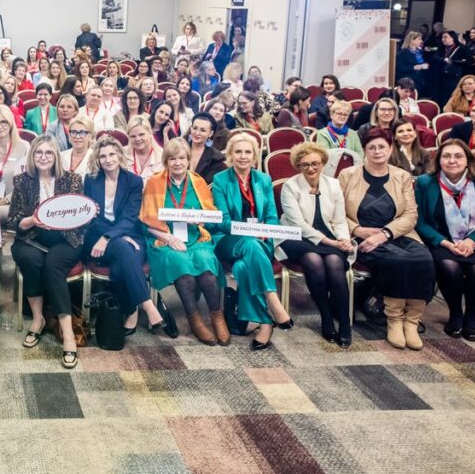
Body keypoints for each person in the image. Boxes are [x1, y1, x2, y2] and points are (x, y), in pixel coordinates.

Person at [338, 129, 435, 350]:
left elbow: (411, 215)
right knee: (397, 262)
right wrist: (358, 229)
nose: (377, 151)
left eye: (382, 146)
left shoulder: (401, 176)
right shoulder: (348, 175)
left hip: (398, 234)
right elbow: (336, 212)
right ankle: (394, 320)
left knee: (425, 260)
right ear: (364, 151)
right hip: (364, 237)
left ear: (391, 149)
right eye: (371, 147)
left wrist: (386, 234)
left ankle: (411, 322)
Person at [8, 135, 85, 369]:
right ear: (32, 156)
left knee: (53, 266)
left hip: (65, 238)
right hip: (31, 238)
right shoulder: (22, 180)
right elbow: (13, 221)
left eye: (48, 153)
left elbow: (79, 218)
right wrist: (32, 220)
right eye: (38, 152)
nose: (43, 157)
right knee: (31, 261)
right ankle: (38, 320)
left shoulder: (71, 179)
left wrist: (63, 221)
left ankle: (68, 332)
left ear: (56, 157)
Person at [140, 138, 226, 345]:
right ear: (166, 161)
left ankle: (217, 316)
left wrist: (202, 219)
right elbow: (146, 222)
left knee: (206, 268)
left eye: (181, 158)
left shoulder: (198, 182)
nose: (177, 163)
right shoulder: (154, 182)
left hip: (196, 237)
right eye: (172, 159)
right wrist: (168, 238)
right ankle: (194, 318)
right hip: (164, 239)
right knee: (182, 268)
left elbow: (213, 216)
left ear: (188, 160)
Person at [212, 133, 293, 350]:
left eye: (248, 152)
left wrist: (263, 232)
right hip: (228, 240)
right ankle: (272, 300)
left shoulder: (264, 180)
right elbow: (223, 221)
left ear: (255, 155)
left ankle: (265, 322)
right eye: (238, 151)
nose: (243, 156)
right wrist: (250, 231)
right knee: (248, 243)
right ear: (230, 154)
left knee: (243, 267)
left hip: (260, 241)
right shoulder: (221, 180)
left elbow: (272, 217)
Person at [83, 136, 164, 334]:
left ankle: (131, 311)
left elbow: (130, 217)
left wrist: (113, 236)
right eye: (103, 156)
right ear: (97, 159)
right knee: (122, 247)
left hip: (130, 236)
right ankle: (148, 305)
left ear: (120, 155)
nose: (108, 159)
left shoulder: (134, 181)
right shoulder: (91, 180)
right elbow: (92, 217)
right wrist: (112, 236)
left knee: (121, 265)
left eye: (112, 154)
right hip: (98, 238)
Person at [276, 143, 355, 347]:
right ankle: (326, 316)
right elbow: (298, 224)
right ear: (298, 167)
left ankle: (345, 322)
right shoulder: (291, 186)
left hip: (329, 234)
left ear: (323, 163)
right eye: (304, 165)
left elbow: (339, 220)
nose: (311, 169)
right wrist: (330, 242)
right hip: (295, 236)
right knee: (314, 261)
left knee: (334, 263)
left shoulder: (333, 185)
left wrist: (343, 239)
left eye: (315, 164)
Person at [416, 140, 475, 342]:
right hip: (442, 240)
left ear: (468, 160)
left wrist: (472, 241)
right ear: (439, 160)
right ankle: (455, 314)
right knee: (449, 267)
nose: (452, 160)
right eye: (446, 156)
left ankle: (471, 317)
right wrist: (444, 242)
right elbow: (420, 221)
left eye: (458, 156)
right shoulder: (426, 182)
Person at [187, 112, 226, 183]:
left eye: (203, 130)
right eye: (195, 128)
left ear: (210, 133)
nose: (197, 133)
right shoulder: (179, 150)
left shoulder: (217, 158)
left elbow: (210, 184)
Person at [124, 115, 163, 183]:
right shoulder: (121, 154)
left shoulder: (163, 156)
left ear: (150, 133)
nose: (137, 139)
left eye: (141, 134)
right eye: (133, 136)